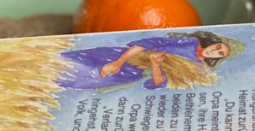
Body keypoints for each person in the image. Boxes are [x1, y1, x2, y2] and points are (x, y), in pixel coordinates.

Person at [60, 32, 238, 91]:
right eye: (218, 46)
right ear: (214, 43)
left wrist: (155, 65)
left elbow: (158, 82)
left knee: (72, 76)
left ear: (217, 58)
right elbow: (152, 43)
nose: (216, 50)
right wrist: (119, 62)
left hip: (129, 72)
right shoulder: (191, 42)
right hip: (118, 56)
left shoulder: (196, 69)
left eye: (220, 53)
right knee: (65, 60)